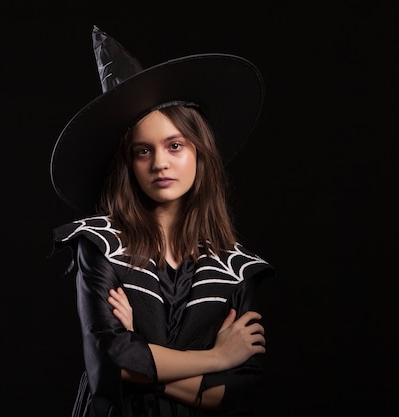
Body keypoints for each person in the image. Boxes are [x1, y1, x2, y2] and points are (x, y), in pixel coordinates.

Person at [49, 25, 276, 417]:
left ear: (199, 152)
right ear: (128, 164)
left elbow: (242, 386)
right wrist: (218, 356)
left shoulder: (236, 268)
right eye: (142, 151)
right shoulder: (100, 243)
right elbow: (111, 363)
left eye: (174, 145)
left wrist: (145, 353)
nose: (159, 164)